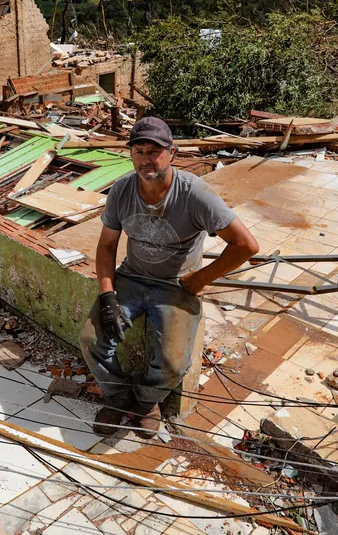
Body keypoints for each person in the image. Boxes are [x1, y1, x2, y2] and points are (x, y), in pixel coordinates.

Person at [79, 117, 259, 438]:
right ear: (131, 154)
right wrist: (107, 295)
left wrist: (199, 279)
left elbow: (246, 245)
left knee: (174, 363)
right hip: (131, 278)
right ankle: (119, 400)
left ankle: (146, 403)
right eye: (139, 151)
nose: (146, 159)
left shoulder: (193, 194)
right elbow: (107, 247)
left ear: (172, 153)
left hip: (176, 286)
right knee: (92, 340)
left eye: (155, 151)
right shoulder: (121, 190)